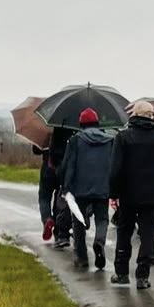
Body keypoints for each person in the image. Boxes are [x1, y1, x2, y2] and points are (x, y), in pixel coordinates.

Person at [108, 99, 154, 289]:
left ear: (134, 115)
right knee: (148, 233)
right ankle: (142, 275)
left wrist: (113, 192)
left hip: (128, 193)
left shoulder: (123, 137)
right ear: (151, 116)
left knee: (124, 231)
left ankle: (121, 272)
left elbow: (115, 169)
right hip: (153, 193)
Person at [59, 106, 114, 272]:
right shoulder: (109, 141)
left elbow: (69, 165)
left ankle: (81, 257)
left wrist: (65, 186)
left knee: (78, 221)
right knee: (102, 219)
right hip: (103, 187)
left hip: (80, 189)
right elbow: (113, 165)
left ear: (81, 124)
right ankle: (99, 241)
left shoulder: (75, 140)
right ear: (97, 123)